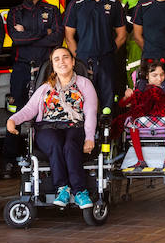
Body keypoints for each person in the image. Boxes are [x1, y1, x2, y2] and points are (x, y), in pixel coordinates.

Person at [6, 46, 99, 209]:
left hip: (74, 126)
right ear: (53, 65)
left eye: (65, 57)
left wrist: (90, 137)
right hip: (47, 127)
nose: (61, 61)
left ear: (73, 62)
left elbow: (91, 112)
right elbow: (29, 110)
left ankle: (80, 192)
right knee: (55, 144)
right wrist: (12, 120)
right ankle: (62, 189)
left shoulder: (85, 84)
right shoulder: (45, 88)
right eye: (57, 59)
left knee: (70, 145)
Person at [2, 0, 63, 177]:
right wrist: (41, 34)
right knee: (18, 109)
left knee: (47, 111)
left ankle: (43, 155)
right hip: (21, 67)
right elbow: (17, 40)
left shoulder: (52, 10)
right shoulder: (15, 12)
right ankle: (11, 158)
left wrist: (28, 34)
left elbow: (56, 38)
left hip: (47, 69)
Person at [64, 0, 126, 111]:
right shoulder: (76, 4)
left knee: (108, 106)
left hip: (107, 61)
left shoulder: (114, 5)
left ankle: (107, 133)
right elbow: (69, 37)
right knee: (83, 104)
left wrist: (109, 51)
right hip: (83, 62)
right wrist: (77, 58)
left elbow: (122, 35)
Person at [119, 56, 165, 168]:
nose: (159, 79)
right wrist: (126, 96)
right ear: (147, 76)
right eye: (155, 75)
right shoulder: (141, 87)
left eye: (162, 75)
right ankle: (140, 160)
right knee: (132, 122)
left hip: (163, 118)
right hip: (144, 118)